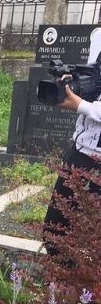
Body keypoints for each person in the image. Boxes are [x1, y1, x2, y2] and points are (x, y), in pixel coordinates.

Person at [43, 82, 101, 253]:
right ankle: (61, 268)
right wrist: (76, 82)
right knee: (55, 228)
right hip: (79, 152)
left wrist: (80, 105)